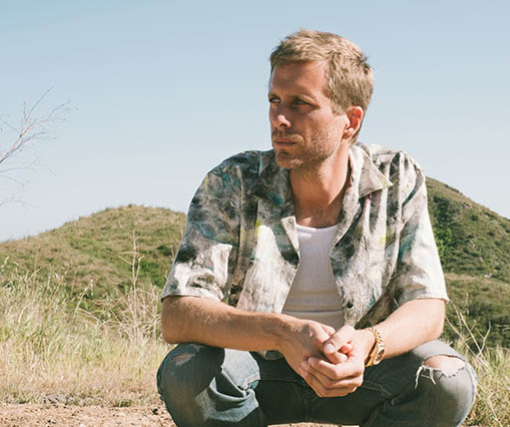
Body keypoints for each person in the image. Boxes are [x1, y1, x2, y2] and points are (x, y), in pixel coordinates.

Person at [157, 29, 477, 427]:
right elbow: (179, 313)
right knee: (186, 370)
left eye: (300, 104)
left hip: (361, 373)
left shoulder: (397, 176)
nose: (279, 118)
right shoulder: (233, 181)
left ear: (350, 121)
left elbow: (427, 305)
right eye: (274, 100)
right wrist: (282, 334)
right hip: (257, 372)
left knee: (447, 379)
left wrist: (368, 344)